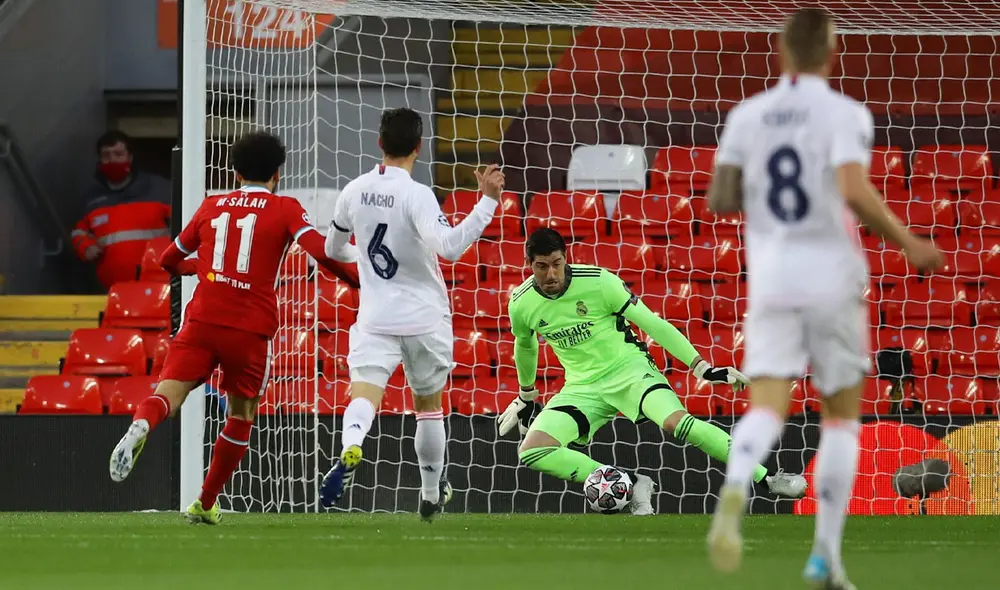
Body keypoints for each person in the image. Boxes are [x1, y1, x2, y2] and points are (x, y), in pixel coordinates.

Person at [704, 9, 943, 588]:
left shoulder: (747, 115)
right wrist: (909, 242)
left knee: (766, 407)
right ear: (830, 53)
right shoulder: (844, 114)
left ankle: (736, 487)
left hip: (773, 279)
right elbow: (853, 189)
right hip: (833, 280)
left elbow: (719, 198)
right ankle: (825, 559)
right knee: (840, 422)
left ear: (780, 53)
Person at [108, 131, 359, 525]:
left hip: (203, 318)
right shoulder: (285, 208)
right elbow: (320, 251)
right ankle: (206, 503)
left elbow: (169, 259)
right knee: (241, 415)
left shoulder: (212, 205)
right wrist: (361, 280)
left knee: (167, 395)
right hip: (249, 329)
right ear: (277, 173)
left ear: (235, 171)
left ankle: (142, 423)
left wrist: (204, 270)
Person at [501, 228, 808, 516]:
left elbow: (652, 323)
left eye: (556, 263)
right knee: (532, 450)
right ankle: (633, 485)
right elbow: (525, 346)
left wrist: (701, 367)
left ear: (566, 258)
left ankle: (767, 479)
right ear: (528, 263)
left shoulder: (598, 283)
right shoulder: (522, 303)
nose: (551, 274)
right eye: (542, 266)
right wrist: (527, 395)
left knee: (678, 422)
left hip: (632, 372)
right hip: (582, 387)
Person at [321, 107, 505, 521]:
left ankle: (352, 442)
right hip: (423, 319)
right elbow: (451, 247)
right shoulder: (417, 194)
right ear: (419, 148)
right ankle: (428, 495)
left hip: (375, 318)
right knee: (428, 407)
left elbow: (332, 250)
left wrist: (363, 260)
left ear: (379, 143)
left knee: (364, 393)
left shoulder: (353, 190)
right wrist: (487, 203)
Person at [71, 130, 172, 290]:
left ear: (130, 158)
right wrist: (86, 247)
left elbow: (185, 224)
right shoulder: (91, 199)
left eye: (118, 154)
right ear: (99, 159)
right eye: (106, 155)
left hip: (158, 287)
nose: (112, 160)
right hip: (111, 289)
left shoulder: (160, 190)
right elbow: (78, 232)